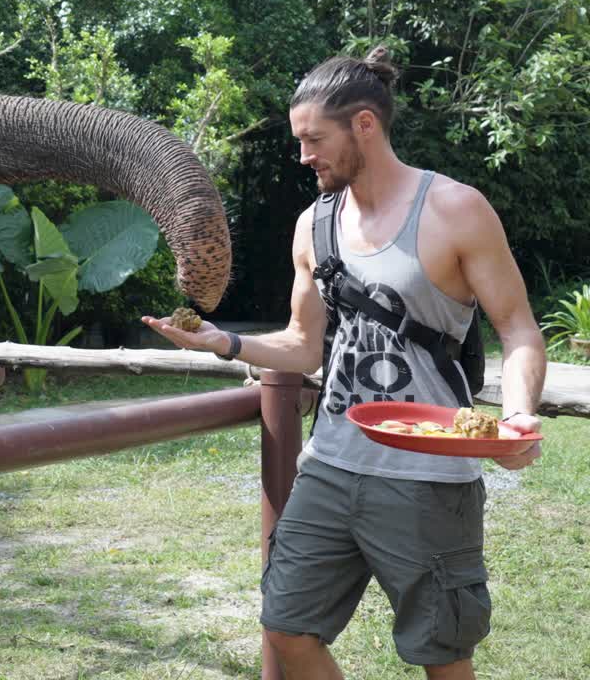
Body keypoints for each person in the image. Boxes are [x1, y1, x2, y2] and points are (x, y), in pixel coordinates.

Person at [142, 47, 547, 680]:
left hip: (429, 477)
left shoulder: (455, 210)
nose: (304, 156)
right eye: (300, 141)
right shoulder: (313, 225)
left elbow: (519, 327)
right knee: (286, 625)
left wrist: (517, 417)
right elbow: (305, 346)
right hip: (329, 466)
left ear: (365, 124)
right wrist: (223, 343)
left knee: (441, 650)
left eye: (314, 139)